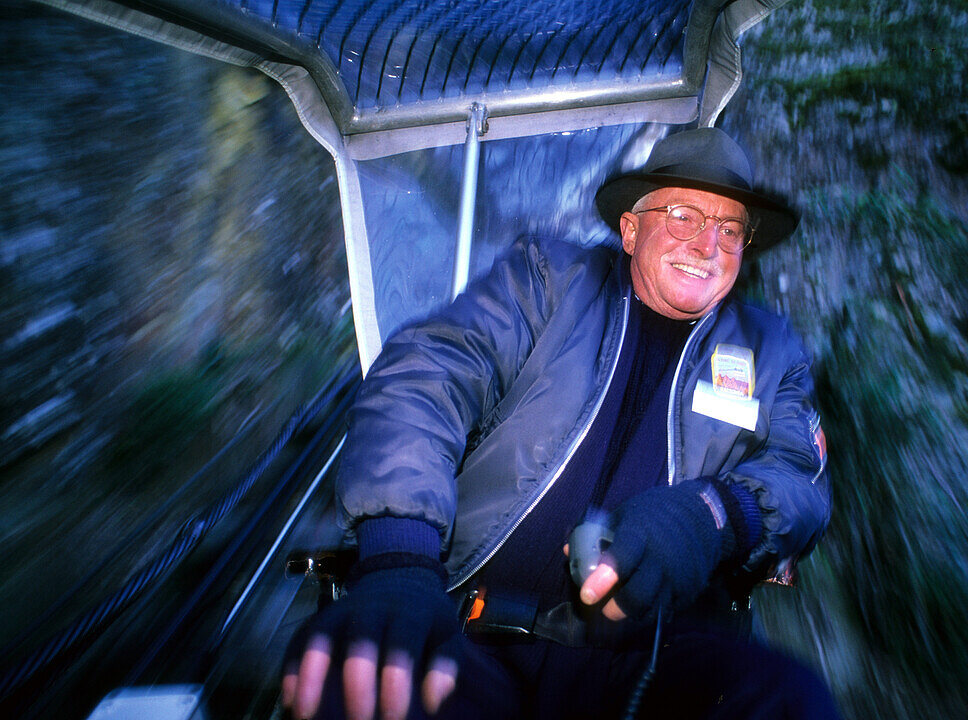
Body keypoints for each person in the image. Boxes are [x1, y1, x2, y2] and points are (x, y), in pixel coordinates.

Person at [282, 127, 838, 720]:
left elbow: (799, 479)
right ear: (630, 229)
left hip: (651, 660)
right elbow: (426, 377)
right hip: (477, 635)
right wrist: (399, 559)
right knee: (359, 689)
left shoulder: (771, 351)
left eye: (730, 230)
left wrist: (713, 517)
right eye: (683, 215)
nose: (708, 245)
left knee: (786, 700)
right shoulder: (547, 281)